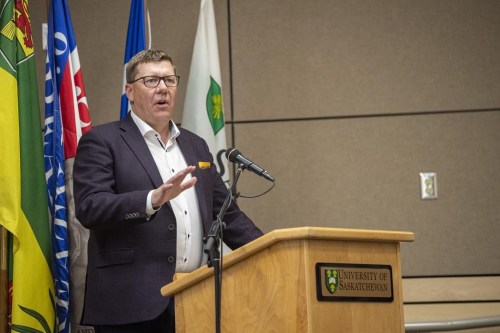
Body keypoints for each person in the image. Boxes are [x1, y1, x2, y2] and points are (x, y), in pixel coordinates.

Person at [73, 49, 263, 333]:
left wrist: (273, 252)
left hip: (195, 297)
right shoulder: (102, 141)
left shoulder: (195, 145)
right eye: (151, 81)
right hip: (129, 304)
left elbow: (227, 216)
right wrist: (152, 199)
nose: (162, 88)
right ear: (130, 91)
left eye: (169, 80)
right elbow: (90, 207)